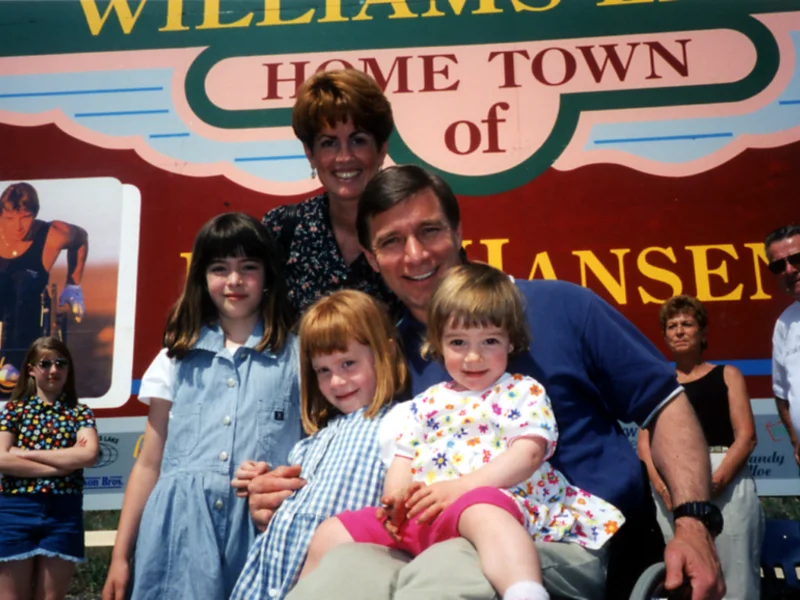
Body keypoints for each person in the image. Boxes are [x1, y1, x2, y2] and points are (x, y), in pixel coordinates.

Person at [249, 165, 726, 600]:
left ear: (458, 232)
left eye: (429, 230)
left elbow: (664, 405)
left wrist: (693, 524)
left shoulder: (563, 307)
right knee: (338, 573)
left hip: (565, 541)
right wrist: (282, 490)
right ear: (372, 259)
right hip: (422, 538)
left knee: (448, 573)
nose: (414, 255)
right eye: (392, 242)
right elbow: (352, 457)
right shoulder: (384, 360)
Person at [302, 264, 625, 600]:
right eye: (458, 342)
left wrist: (462, 488)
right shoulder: (424, 403)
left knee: (483, 511)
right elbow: (403, 457)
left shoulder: (519, 391)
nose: (473, 356)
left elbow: (527, 453)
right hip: (428, 515)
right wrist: (395, 499)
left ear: (511, 341)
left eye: (489, 341)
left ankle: (524, 591)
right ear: (438, 343)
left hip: (496, 501)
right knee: (332, 530)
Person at [101, 213, 301, 600]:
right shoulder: (174, 358)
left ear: (269, 276)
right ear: (201, 277)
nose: (235, 281)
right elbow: (148, 463)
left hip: (264, 532)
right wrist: (120, 557)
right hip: (179, 536)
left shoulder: (300, 356)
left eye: (248, 268)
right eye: (220, 268)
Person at [230, 289, 408, 600]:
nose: (336, 382)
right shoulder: (311, 443)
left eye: (348, 363)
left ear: (386, 353)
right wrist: (264, 479)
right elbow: (288, 514)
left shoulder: (401, 424)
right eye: (323, 370)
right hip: (270, 585)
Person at [638, 295, 763, 599]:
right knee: (683, 581)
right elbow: (644, 443)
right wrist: (663, 489)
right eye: (672, 326)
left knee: (737, 578)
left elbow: (746, 436)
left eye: (687, 324)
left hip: (726, 482)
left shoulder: (727, 375)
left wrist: (714, 483)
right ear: (665, 336)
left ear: (703, 333)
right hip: (671, 492)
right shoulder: (657, 383)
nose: (679, 331)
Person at [262, 68, 398, 316]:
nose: (344, 157)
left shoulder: (411, 229)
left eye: (358, 140)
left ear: (381, 149)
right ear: (310, 154)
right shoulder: (282, 230)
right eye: (329, 143)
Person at [0, 336, 99, 600]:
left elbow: (88, 454)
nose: (54, 370)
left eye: (60, 363)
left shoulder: (80, 413)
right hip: (15, 510)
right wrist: (61, 467)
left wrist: (26, 453)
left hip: (63, 513)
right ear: (31, 369)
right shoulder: (13, 411)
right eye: (45, 364)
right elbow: (1, 459)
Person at [0, 183, 89, 397]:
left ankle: (14, 361)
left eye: (26, 217)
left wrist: (73, 283)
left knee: (24, 282)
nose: (19, 226)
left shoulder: (55, 233)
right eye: (10, 219)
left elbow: (81, 237)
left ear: (35, 214)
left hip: (27, 301)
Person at [765, 224, 800, 467]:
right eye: (779, 265)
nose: (789, 269)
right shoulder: (784, 323)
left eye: (797, 258)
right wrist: (794, 440)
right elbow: (782, 394)